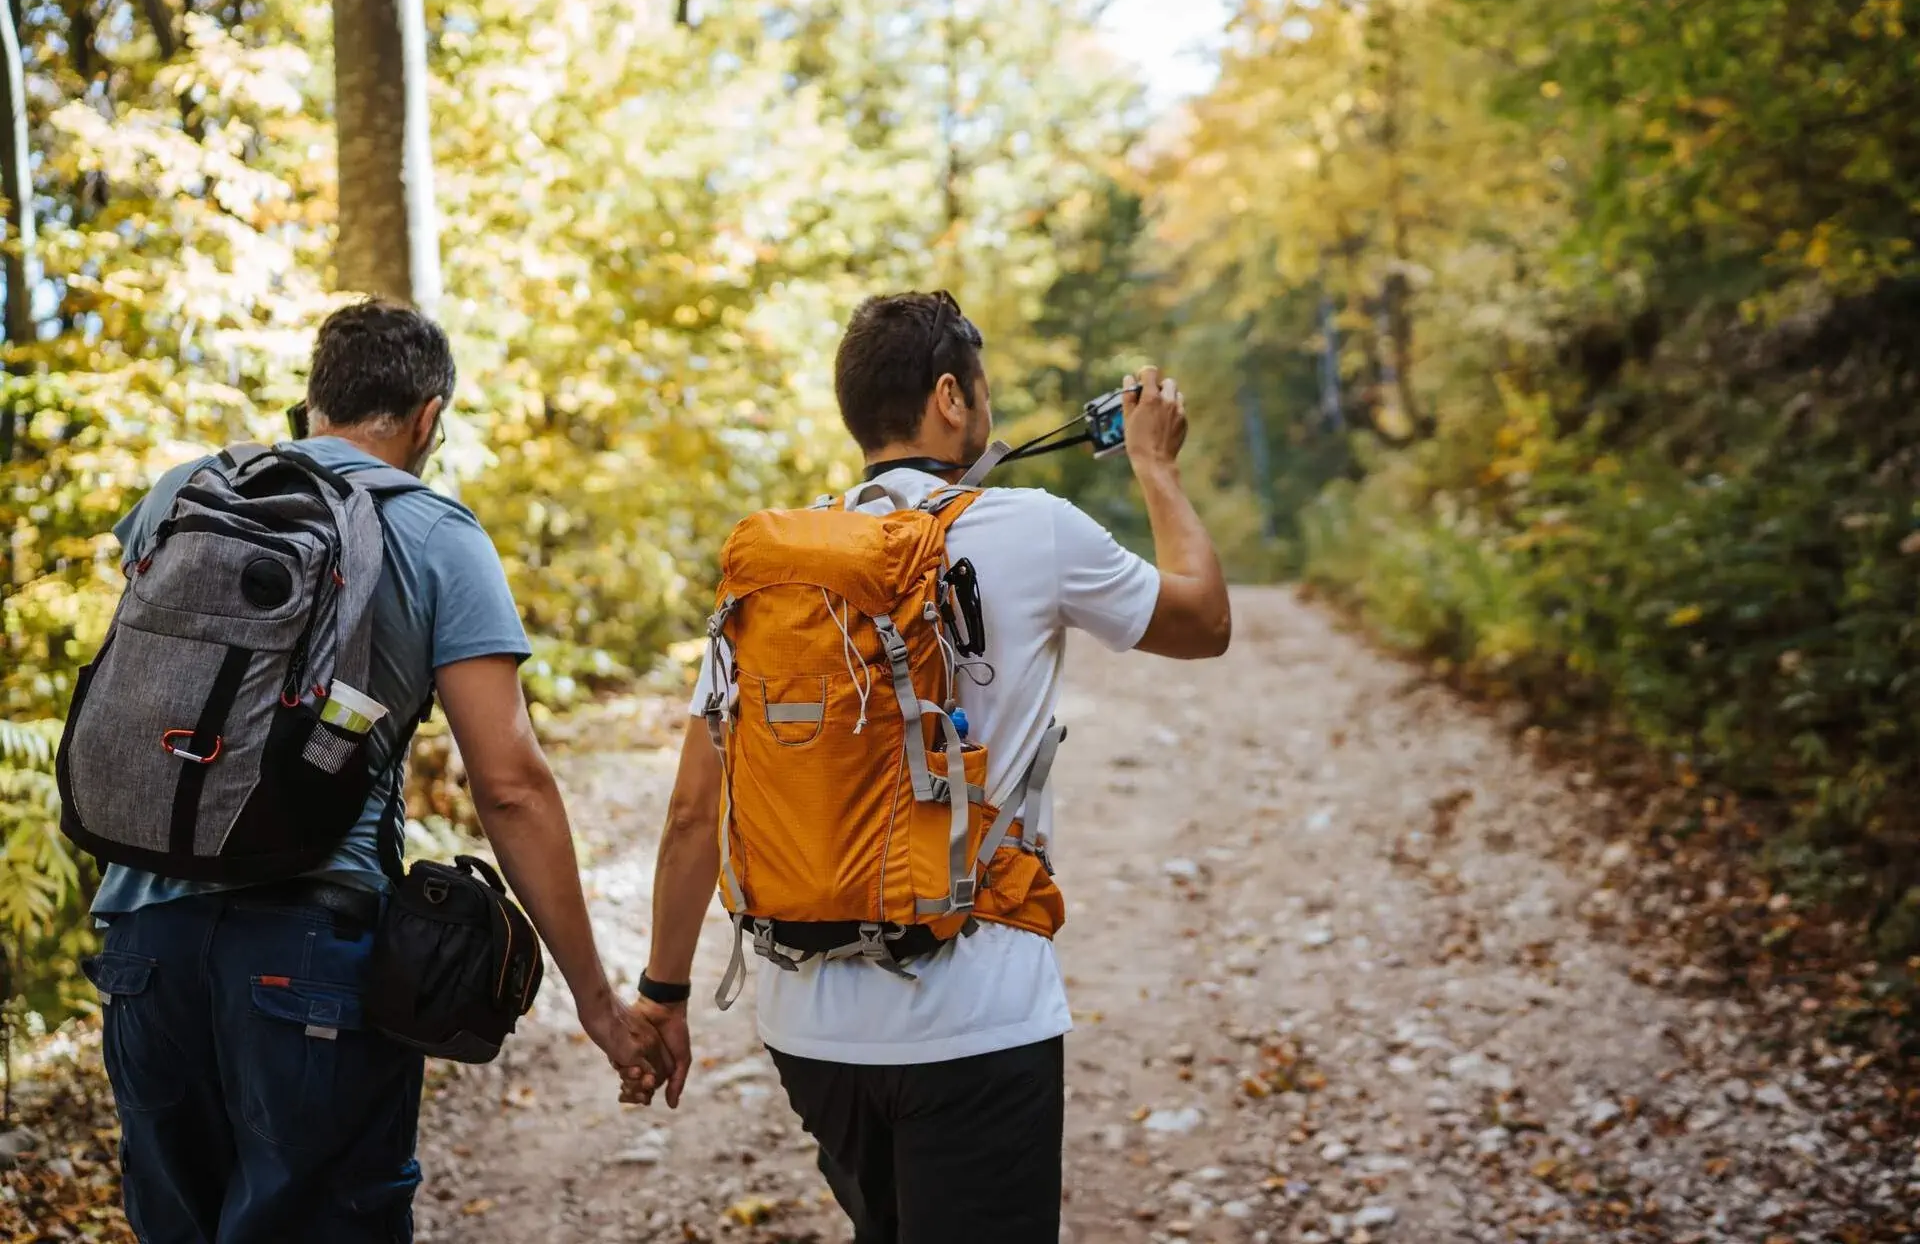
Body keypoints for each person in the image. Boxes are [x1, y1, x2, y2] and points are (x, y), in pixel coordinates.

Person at [632, 290, 1231, 1242]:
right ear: (950, 398)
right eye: (981, 392)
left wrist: (662, 996)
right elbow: (1204, 622)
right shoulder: (1035, 529)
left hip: (808, 1028)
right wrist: (1155, 465)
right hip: (979, 1016)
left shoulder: (776, 569)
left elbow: (693, 815)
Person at [82, 299, 668, 1243]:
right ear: (430, 416)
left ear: (312, 402)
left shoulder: (183, 492)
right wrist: (598, 1007)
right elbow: (510, 783)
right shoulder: (436, 533)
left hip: (144, 940)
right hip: (310, 949)